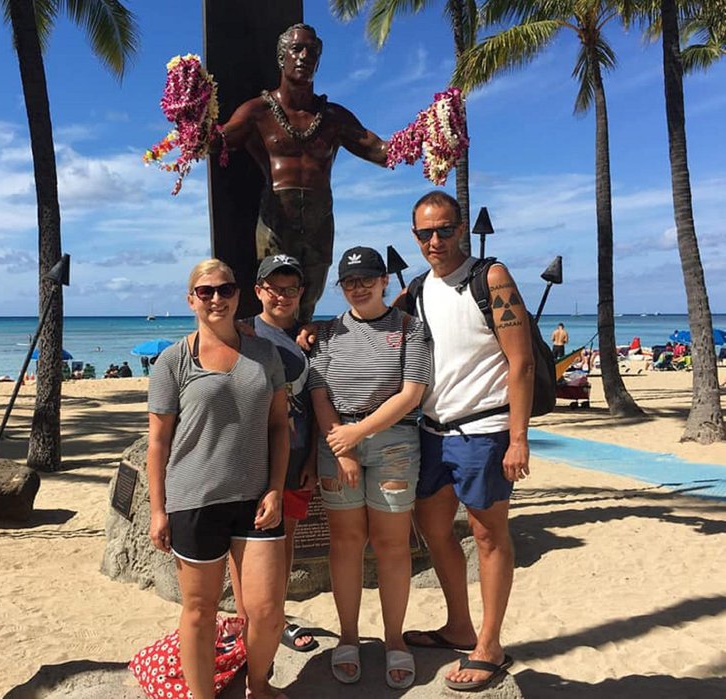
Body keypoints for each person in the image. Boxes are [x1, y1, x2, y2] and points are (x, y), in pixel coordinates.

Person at [397, 190, 532, 692]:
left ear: (460, 229)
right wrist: (313, 335)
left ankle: (490, 645)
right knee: (432, 528)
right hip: (432, 431)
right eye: (424, 233)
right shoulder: (417, 288)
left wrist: (518, 438)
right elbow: (373, 320)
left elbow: (521, 362)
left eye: (444, 229)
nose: (435, 240)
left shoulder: (489, 277)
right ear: (414, 236)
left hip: (485, 430)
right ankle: (459, 624)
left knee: (488, 535)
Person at [147, 258, 290, 699]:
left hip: (254, 499)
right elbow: (158, 442)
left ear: (238, 295)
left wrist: (276, 489)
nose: (216, 298)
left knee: (267, 610)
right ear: (191, 299)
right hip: (194, 500)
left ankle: (258, 684)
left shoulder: (265, 354)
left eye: (224, 290)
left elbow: (280, 425)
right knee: (200, 610)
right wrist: (158, 509)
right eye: (205, 291)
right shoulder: (173, 361)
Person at [309, 247, 430, 689]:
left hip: (394, 443)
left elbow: (412, 392)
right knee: (345, 542)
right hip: (336, 441)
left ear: (383, 281)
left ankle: (395, 640)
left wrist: (357, 436)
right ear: (340, 288)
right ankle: (348, 636)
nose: (358, 288)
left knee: (392, 545)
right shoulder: (325, 333)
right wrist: (341, 445)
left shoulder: (410, 328)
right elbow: (319, 391)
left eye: (366, 279)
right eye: (349, 281)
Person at [221, 23, 388, 323]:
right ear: (281, 56)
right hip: (275, 219)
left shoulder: (333, 117)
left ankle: (307, 360)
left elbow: (380, 151)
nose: (304, 56)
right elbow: (219, 141)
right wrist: (192, 122)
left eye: (312, 51)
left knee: (308, 301)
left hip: (318, 221)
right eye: (297, 48)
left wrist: (429, 136)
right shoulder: (258, 111)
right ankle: (271, 356)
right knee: (276, 296)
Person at [247, 254, 318, 654]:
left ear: (301, 293)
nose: (282, 296)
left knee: (284, 541)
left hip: (297, 455)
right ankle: (252, 616)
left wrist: (311, 460)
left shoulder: (313, 338)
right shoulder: (243, 334)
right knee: (252, 543)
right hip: (254, 457)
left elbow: (320, 402)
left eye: (291, 289)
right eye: (274, 288)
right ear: (259, 291)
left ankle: (279, 615)